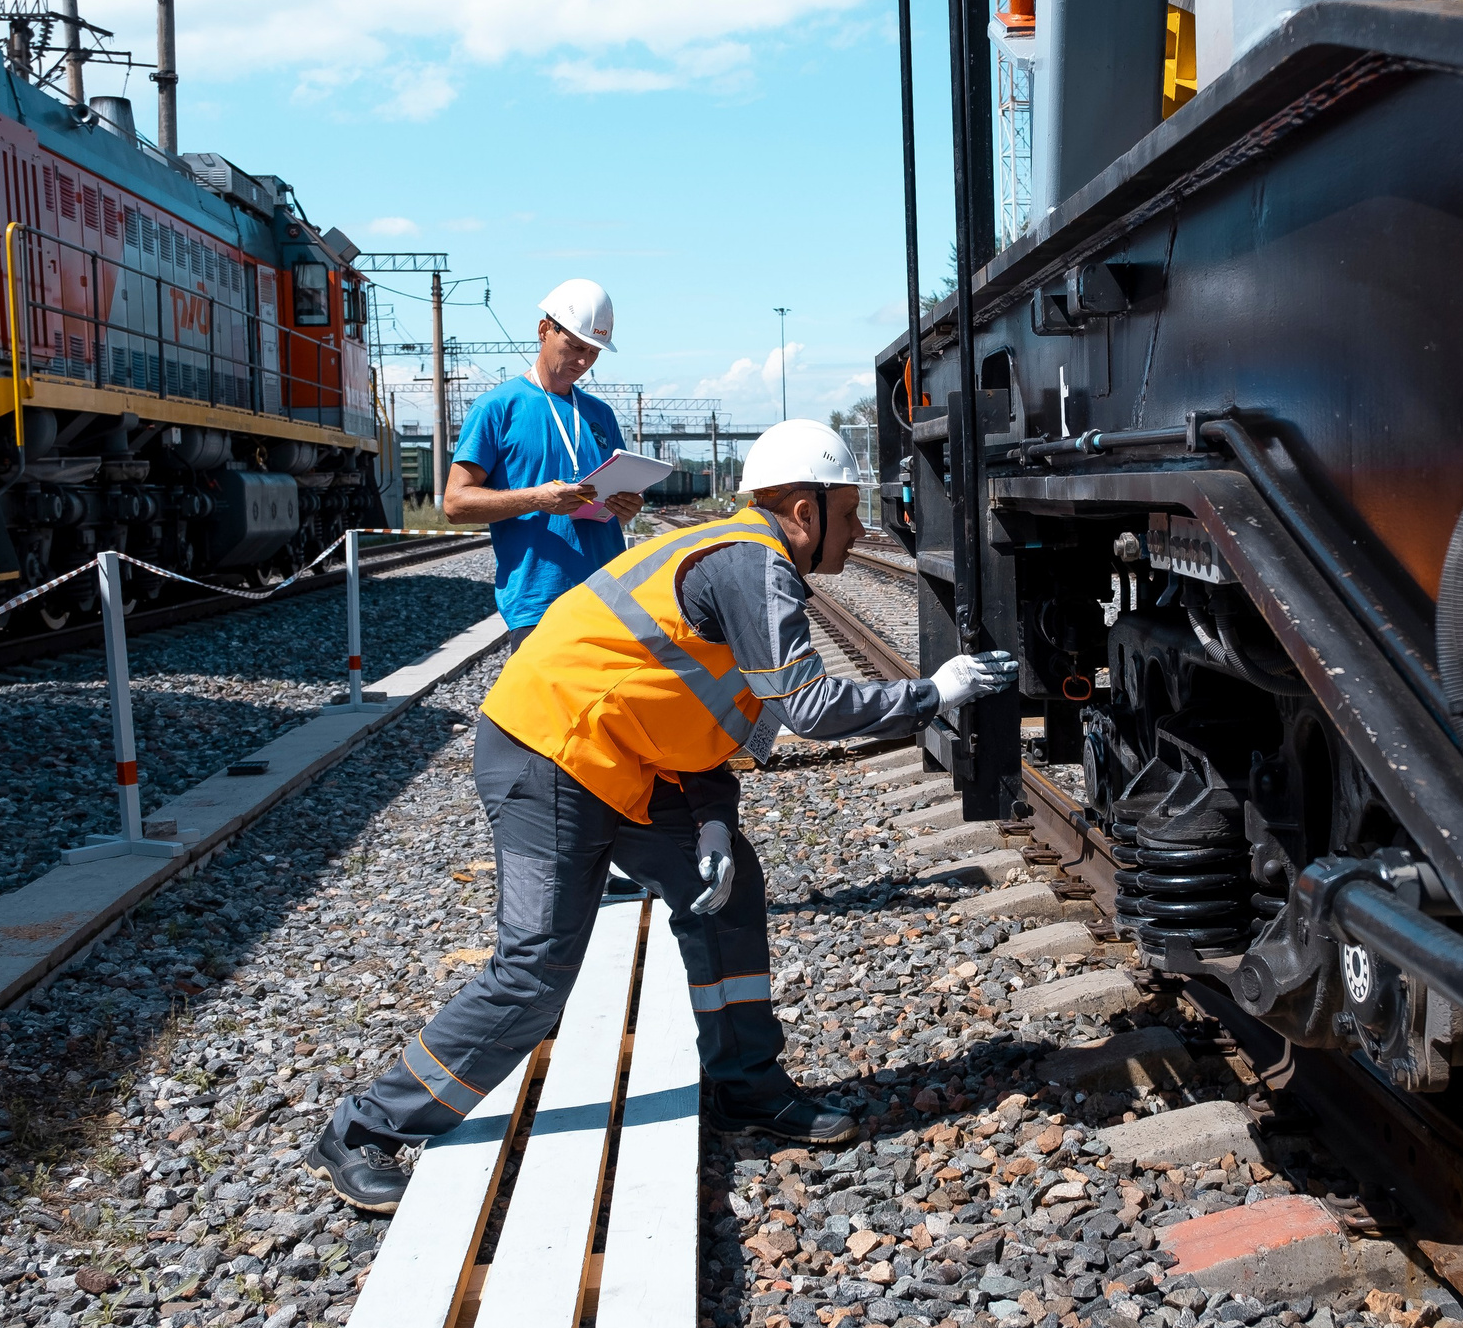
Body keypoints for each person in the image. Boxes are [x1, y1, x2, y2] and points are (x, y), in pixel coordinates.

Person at [308, 419, 1018, 1212]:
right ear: (803, 510)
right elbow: (811, 707)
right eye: (850, 513)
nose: (860, 531)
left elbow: (702, 708)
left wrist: (713, 820)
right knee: (538, 966)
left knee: (727, 883)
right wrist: (935, 691)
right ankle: (365, 1128)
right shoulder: (752, 565)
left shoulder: (746, 562)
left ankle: (745, 1083)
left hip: (621, 758)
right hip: (549, 748)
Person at [443, 277, 646, 637]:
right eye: (575, 346)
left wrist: (626, 507)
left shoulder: (600, 415)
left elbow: (616, 504)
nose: (584, 360)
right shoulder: (496, 408)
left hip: (608, 599)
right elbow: (455, 504)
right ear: (544, 330)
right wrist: (538, 498)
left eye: (594, 352)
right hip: (538, 605)